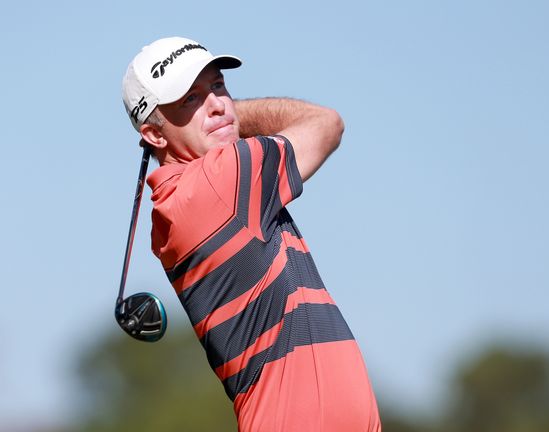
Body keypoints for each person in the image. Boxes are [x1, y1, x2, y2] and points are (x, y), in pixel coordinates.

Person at [122, 36, 381, 431]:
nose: (217, 104)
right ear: (155, 135)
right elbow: (326, 123)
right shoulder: (218, 181)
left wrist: (213, 118)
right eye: (190, 99)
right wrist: (233, 116)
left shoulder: (190, 193)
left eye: (218, 86)